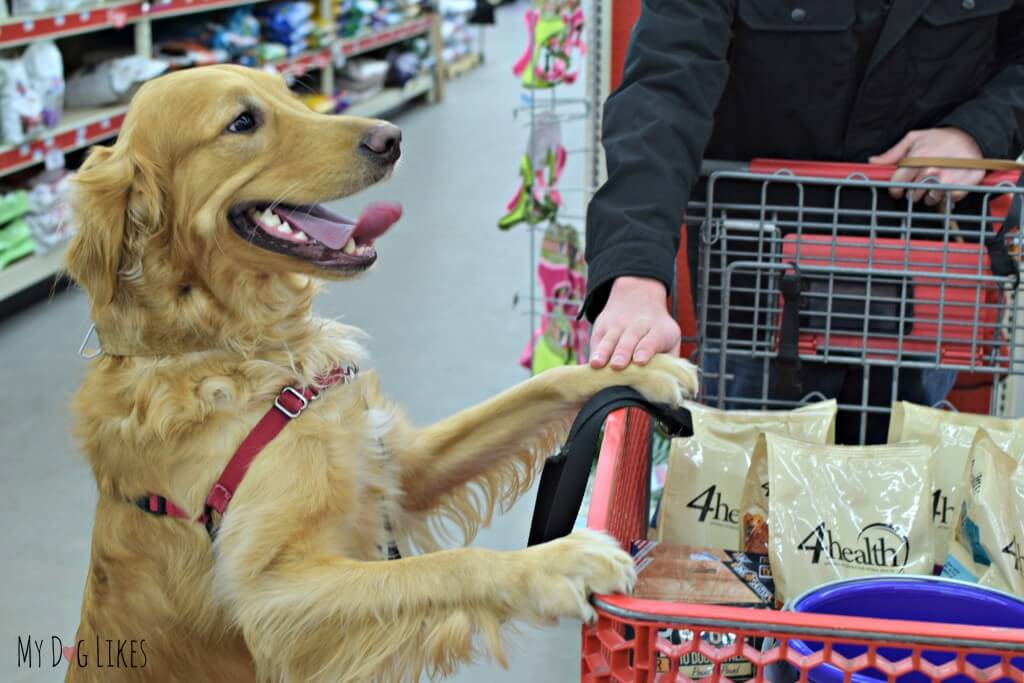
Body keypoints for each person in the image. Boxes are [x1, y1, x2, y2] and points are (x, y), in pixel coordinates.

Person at [583, 0, 1024, 441]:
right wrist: (635, 273)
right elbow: (663, 90)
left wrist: (976, 132)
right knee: (749, 494)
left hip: (923, 291)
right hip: (758, 297)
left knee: (899, 494)